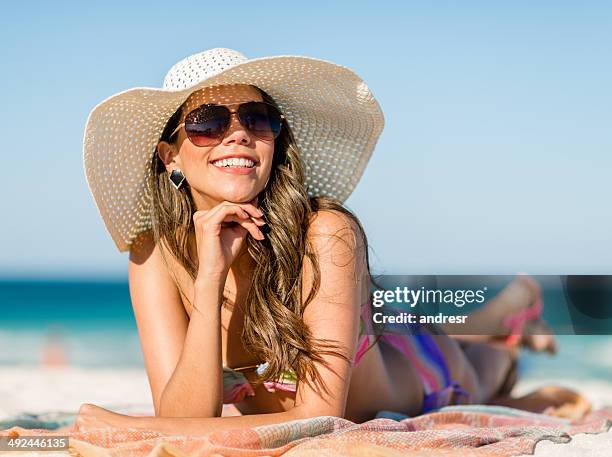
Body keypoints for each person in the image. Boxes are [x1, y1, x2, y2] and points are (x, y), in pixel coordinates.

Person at [76, 48, 589, 435]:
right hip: (381, 330)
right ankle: (509, 314)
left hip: (425, 374)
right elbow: (185, 419)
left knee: (489, 363)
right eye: (207, 123)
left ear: (275, 141)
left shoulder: (324, 232)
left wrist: (128, 428)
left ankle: (514, 314)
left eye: (256, 119)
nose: (237, 135)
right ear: (170, 155)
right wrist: (209, 279)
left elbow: (320, 418)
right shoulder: (154, 255)